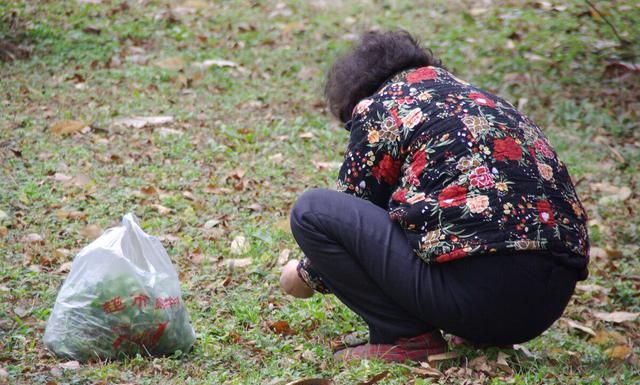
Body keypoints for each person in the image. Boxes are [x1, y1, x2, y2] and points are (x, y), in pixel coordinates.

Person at [279, 30, 589, 362]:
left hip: (479, 296)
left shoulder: (382, 104)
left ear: (357, 93)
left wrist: (302, 274)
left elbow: (355, 209)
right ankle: (468, 329)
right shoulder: (486, 101)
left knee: (312, 211)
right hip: (547, 304)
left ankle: (406, 338)